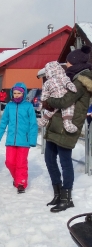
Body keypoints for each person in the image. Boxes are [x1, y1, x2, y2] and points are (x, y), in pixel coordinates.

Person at [43, 45, 92, 212]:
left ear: (75, 62)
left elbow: (65, 101)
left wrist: (48, 101)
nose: (67, 65)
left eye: (69, 62)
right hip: (57, 123)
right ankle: (57, 193)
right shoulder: (72, 77)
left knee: (65, 161)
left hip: (68, 124)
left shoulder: (82, 81)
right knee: (49, 158)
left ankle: (67, 197)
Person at [0, 83, 38, 193]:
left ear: (23, 93)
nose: (17, 95)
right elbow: (3, 123)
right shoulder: (9, 106)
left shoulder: (28, 106)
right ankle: (16, 178)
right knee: (9, 162)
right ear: (12, 93)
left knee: (21, 163)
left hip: (24, 141)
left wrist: (32, 140)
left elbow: (33, 124)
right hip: (11, 141)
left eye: (19, 93)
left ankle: (21, 183)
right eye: (15, 93)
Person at [38, 61, 78, 133]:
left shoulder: (47, 82)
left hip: (55, 98)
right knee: (68, 109)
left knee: (51, 110)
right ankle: (67, 124)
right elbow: (68, 83)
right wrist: (72, 88)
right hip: (63, 97)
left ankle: (43, 120)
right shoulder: (63, 77)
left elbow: (44, 94)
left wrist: (42, 103)